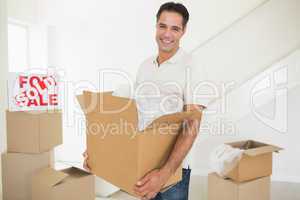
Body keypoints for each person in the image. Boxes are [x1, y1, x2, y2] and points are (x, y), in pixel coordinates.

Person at [84, 2, 207, 200]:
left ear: (183, 31)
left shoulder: (191, 65)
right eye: (162, 26)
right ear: (156, 26)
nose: (167, 34)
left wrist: (164, 173)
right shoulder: (145, 66)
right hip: (142, 163)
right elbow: (134, 117)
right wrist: (100, 149)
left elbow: (192, 123)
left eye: (175, 28)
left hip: (174, 171)